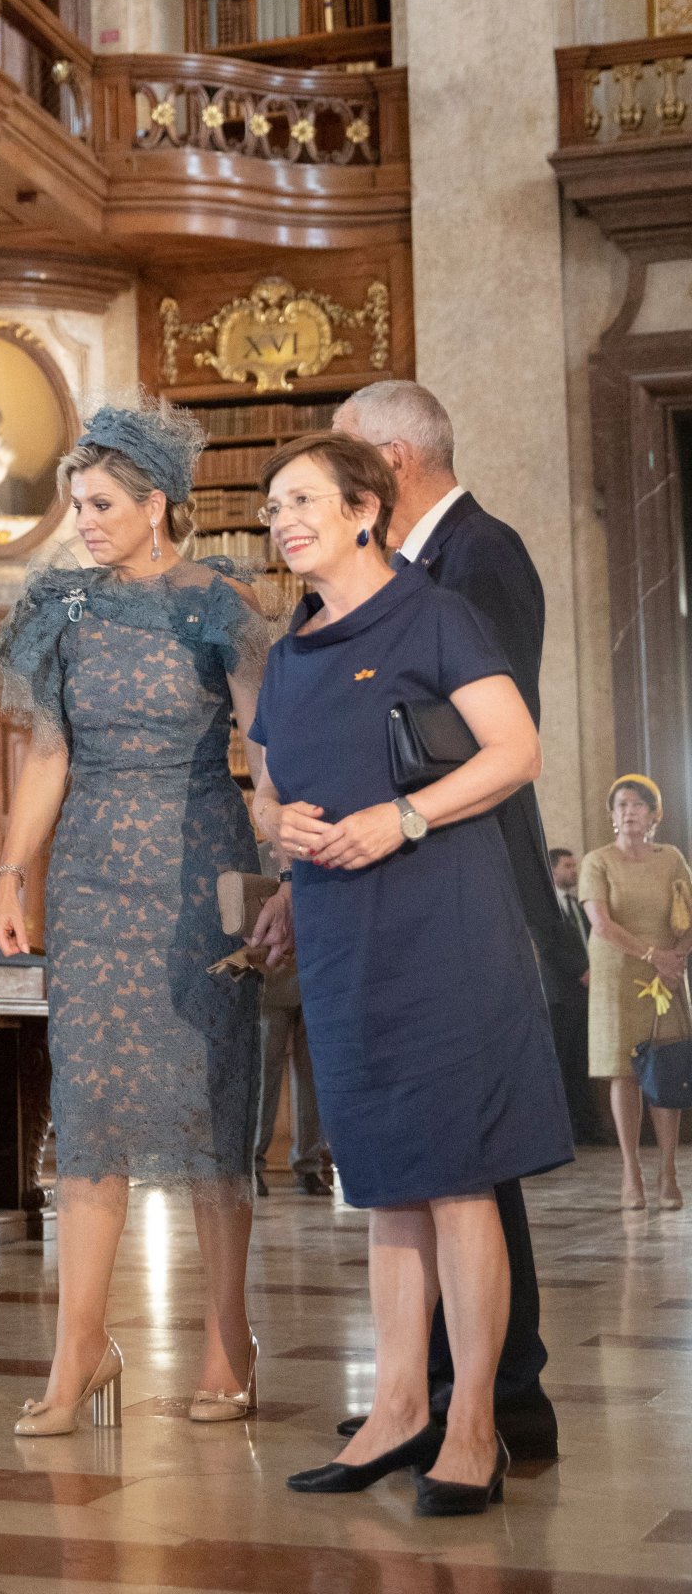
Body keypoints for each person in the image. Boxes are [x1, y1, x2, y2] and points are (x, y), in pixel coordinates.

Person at [250, 430, 572, 1516]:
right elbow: (263, 782)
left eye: (302, 500)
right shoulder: (291, 649)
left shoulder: (436, 612)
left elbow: (514, 750)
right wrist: (275, 822)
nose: (283, 519)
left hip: (446, 926)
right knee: (382, 1183)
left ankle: (472, 1423)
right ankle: (395, 1411)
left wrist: (401, 816)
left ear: (363, 509)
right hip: (342, 933)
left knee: (455, 1177)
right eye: (272, 506)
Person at [0, 399, 268, 1436]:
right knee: (92, 1111)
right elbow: (48, 753)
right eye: (78, 506)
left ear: (160, 505)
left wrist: (285, 873)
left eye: (102, 505)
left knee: (210, 1113)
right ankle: (79, 1356)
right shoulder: (60, 608)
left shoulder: (221, 607)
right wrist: (14, 873)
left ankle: (227, 1345)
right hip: (95, 879)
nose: (85, 523)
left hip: (205, 872)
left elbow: (265, 750)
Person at [329, 378, 564, 1462]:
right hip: (387, 884)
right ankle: (424, 1389)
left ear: (394, 462)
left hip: (468, 879)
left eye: (343, 463)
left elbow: (485, 733)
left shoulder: (481, 555)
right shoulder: (375, 574)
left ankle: (505, 1398)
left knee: (475, 1152)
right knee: (428, 1148)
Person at [580, 775, 692, 1210]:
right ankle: (631, 1174)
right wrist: (653, 956)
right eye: (622, 805)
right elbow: (601, 924)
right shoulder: (598, 860)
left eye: (639, 805)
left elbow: (689, 915)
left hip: (666, 973)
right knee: (624, 1072)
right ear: (612, 815)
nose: (630, 811)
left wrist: (676, 957)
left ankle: (669, 1171)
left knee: (665, 1070)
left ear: (654, 815)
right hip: (619, 973)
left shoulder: (672, 859)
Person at [252, 847, 332, 1198]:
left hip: (316, 979)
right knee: (263, 1078)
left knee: (313, 1079)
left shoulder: (321, 849)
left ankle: (309, 1166)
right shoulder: (259, 853)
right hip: (271, 980)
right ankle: (252, 1165)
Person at [543, 846, 608, 1145]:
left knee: (585, 1064)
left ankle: (588, 1129)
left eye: (574, 865)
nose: (574, 871)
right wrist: (581, 972)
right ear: (553, 869)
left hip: (588, 998)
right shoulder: (545, 907)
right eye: (567, 866)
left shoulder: (582, 905)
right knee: (564, 1064)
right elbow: (548, 948)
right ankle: (565, 1133)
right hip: (561, 997)